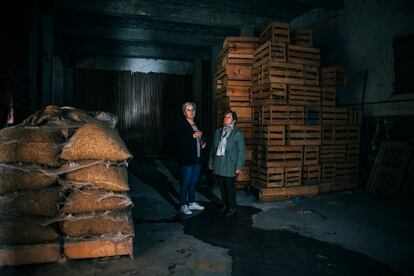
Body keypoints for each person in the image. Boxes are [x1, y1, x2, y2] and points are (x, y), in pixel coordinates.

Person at [208, 111, 246, 216]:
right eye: (225, 117)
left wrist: (238, 166)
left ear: (234, 120)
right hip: (219, 164)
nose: (225, 118)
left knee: (229, 188)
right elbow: (213, 149)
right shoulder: (218, 132)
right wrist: (211, 161)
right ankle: (225, 205)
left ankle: (232, 207)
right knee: (221, 187)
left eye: (228, 117)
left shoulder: (237, 133)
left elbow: (241, 151)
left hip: (230, 165)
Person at [176, 102, 206, 215]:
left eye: (192, 109)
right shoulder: (181, 125)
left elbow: (201, 136)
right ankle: (183, 204)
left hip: (197, 157)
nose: (191, 111)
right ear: (184, 113)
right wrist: (192, 136)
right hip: (187, 159)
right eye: (188, 110)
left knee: (194, 182)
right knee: (186, 182)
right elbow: (179, 142)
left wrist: (203, 142)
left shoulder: (196, 123)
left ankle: (192, 202)